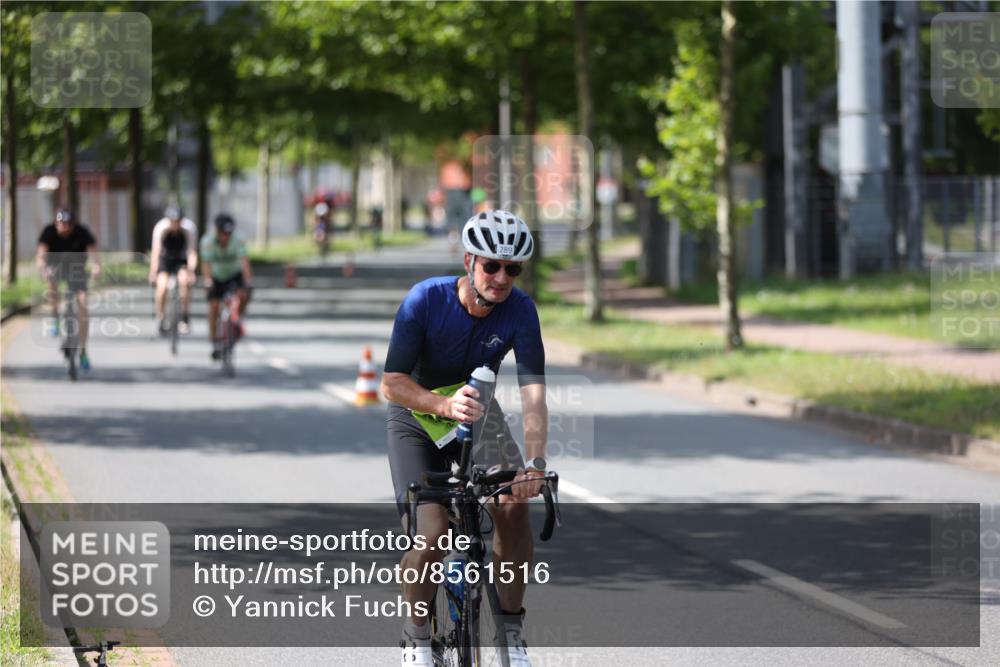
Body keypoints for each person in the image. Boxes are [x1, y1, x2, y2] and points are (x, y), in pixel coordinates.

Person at [382, 210, 546, 667]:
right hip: (417, 415)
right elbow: (391, 383)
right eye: (492, 265)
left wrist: (534, 463)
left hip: (478, 415)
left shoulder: (520, 310)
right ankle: (417, 637)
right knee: (432, 532)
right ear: (469, 261)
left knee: (513, 505)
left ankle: (510, 635)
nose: (502, 277)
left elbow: (534, 393)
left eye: (513, 268)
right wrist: (442, 405)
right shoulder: (425, 300)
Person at [36, 208, 102, 371]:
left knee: (83, 305)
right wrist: (43, 268)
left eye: (68, 224)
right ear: (56, 223)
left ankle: (83, 351)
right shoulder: (48, 231)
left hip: (76, 270)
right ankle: (55, 318)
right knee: (52, 284)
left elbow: (93, 253)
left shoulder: (82, 232)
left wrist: (96, 266)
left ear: (73, 224)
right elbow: (41, 255)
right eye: (61, 224)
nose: (64, 227)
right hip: (56, 268)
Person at [199, 213, 252, 361]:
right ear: (217, 231)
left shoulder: (238, 239)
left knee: (243, 295)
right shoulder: (208, 241)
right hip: (216, 276)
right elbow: (206, 263)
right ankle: (214, 340)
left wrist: (248, 282)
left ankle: (238, 320)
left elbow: (244, 261)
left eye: (228, 233)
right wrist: (207, 281)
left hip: (234, 274)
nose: (225, 236)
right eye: (223, 233)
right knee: (214, 306)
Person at [149, 205, 198, 335]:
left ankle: (185, 315)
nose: (175, 224)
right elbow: (156, 252)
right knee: (162, 287)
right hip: (166, 259)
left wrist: (191, 271)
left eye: (177, 221)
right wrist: (153, 272)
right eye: (172, 221)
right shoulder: (161, 228)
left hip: (181, 259)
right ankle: (161, 317)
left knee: (184, 282)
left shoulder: (189, 228)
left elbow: (191, 252)